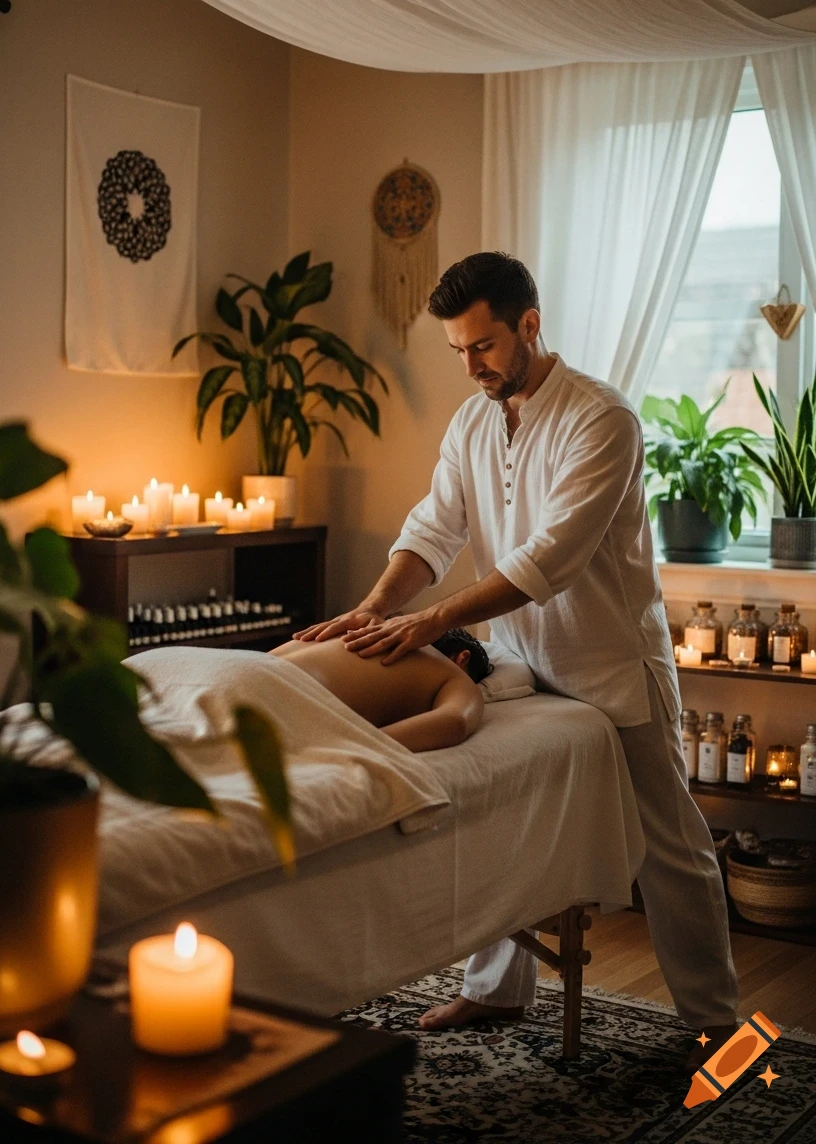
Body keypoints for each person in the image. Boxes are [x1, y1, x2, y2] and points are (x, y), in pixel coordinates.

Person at [293, 251, 739, 1075]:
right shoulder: (472, 421)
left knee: (670, 845)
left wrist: (428, 621)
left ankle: (715, 1019)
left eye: (485, 345)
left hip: (610, 663)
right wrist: (374, 607)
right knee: (510, 813)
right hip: (522, 662)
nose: (472, 365)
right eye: (459, 351)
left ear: (529, 324)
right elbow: (433, 530)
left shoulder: (602, 420)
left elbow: (549, 559)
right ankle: (499, 988)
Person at [269, 627, 489, 752]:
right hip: (281, 700)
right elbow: (454, 723)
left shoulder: (363, 628)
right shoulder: (455, 674)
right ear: (463, 658)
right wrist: (341, 747)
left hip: (244, 664)